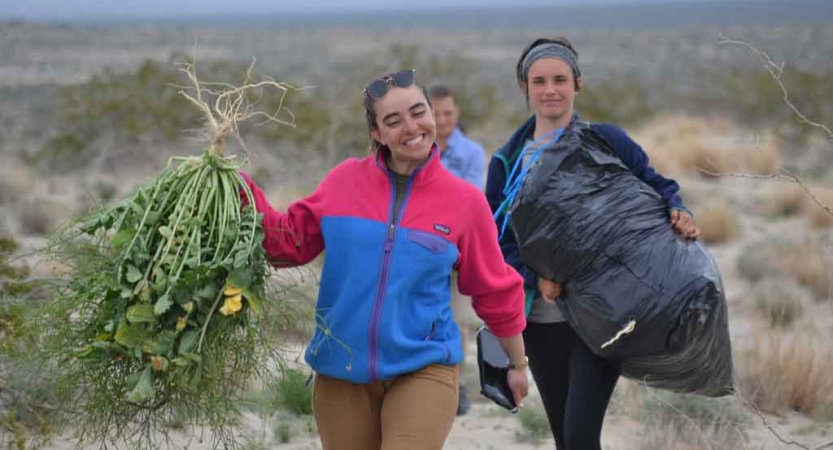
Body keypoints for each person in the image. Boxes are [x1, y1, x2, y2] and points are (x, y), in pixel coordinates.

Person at [240, 69, 529, 450]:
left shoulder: (464, 201)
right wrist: (236, 186)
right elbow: (287, 243)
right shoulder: (343, 182)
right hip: (340, 370)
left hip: (424, 367)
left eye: (418, 111)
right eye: (393, 120)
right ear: (376, 133)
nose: (412, 127)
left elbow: (495, 289)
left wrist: (518, 365)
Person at [485, 37, 700, 450]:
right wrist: (534, 275)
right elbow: (494, 240)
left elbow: (656, 184)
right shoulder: (508, 161)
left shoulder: (607, 141)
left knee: (582, 436)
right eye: (540, 81)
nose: (550, 89)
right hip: (542, 323)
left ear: (577, 85)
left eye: (560, 80)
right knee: (567, 439)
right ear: (525, 89)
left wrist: (677, 207)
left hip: (604, 316)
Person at [427, 84, 487, 415]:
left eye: (448, 113)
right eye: (436, 114)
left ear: (457, 114)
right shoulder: (414, 151)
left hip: (459, 252)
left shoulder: (473, 154)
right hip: (419, 252)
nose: (443, 119)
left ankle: (457, 387)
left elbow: (468, 200)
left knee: (458, 322)